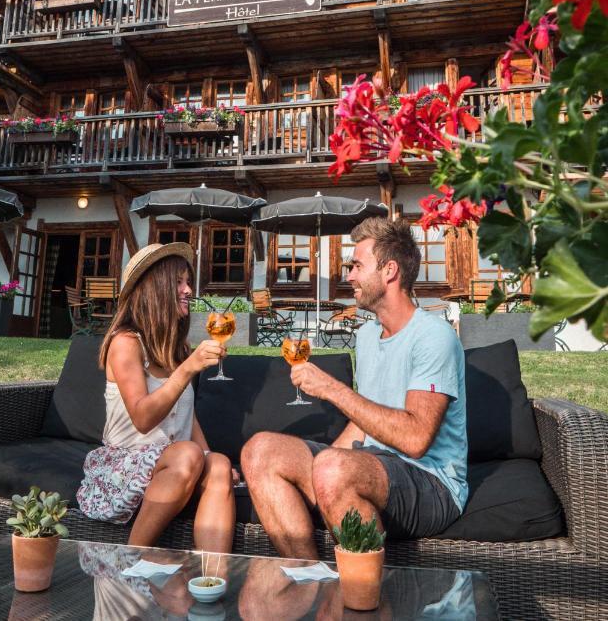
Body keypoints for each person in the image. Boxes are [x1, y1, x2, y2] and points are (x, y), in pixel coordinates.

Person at [241, 217, 467, 558]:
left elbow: (415, 439)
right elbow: (365, 420)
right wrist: (322, 467)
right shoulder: (367, 336)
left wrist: (332, 389)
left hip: (432, 482)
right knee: (259, 451)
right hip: (373, 465)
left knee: (333, 467)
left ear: (389, 271)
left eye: (357, 265)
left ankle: (365, 600)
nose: (349, 276)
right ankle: (309, 578)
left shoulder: (433, 337)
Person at [78, 242, 238, 553]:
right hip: (124, 466)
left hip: (173, 461)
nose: (188, 289)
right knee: (188, 454)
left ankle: (213, 578)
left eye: (187, 281)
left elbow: (185, 414)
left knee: (218, 463)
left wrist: (207, 454)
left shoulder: (175, 347)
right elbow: (143, 417)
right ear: (155, 287)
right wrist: (189, 368)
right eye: (178, 281)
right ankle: (132, 558)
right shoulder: (125, 343)